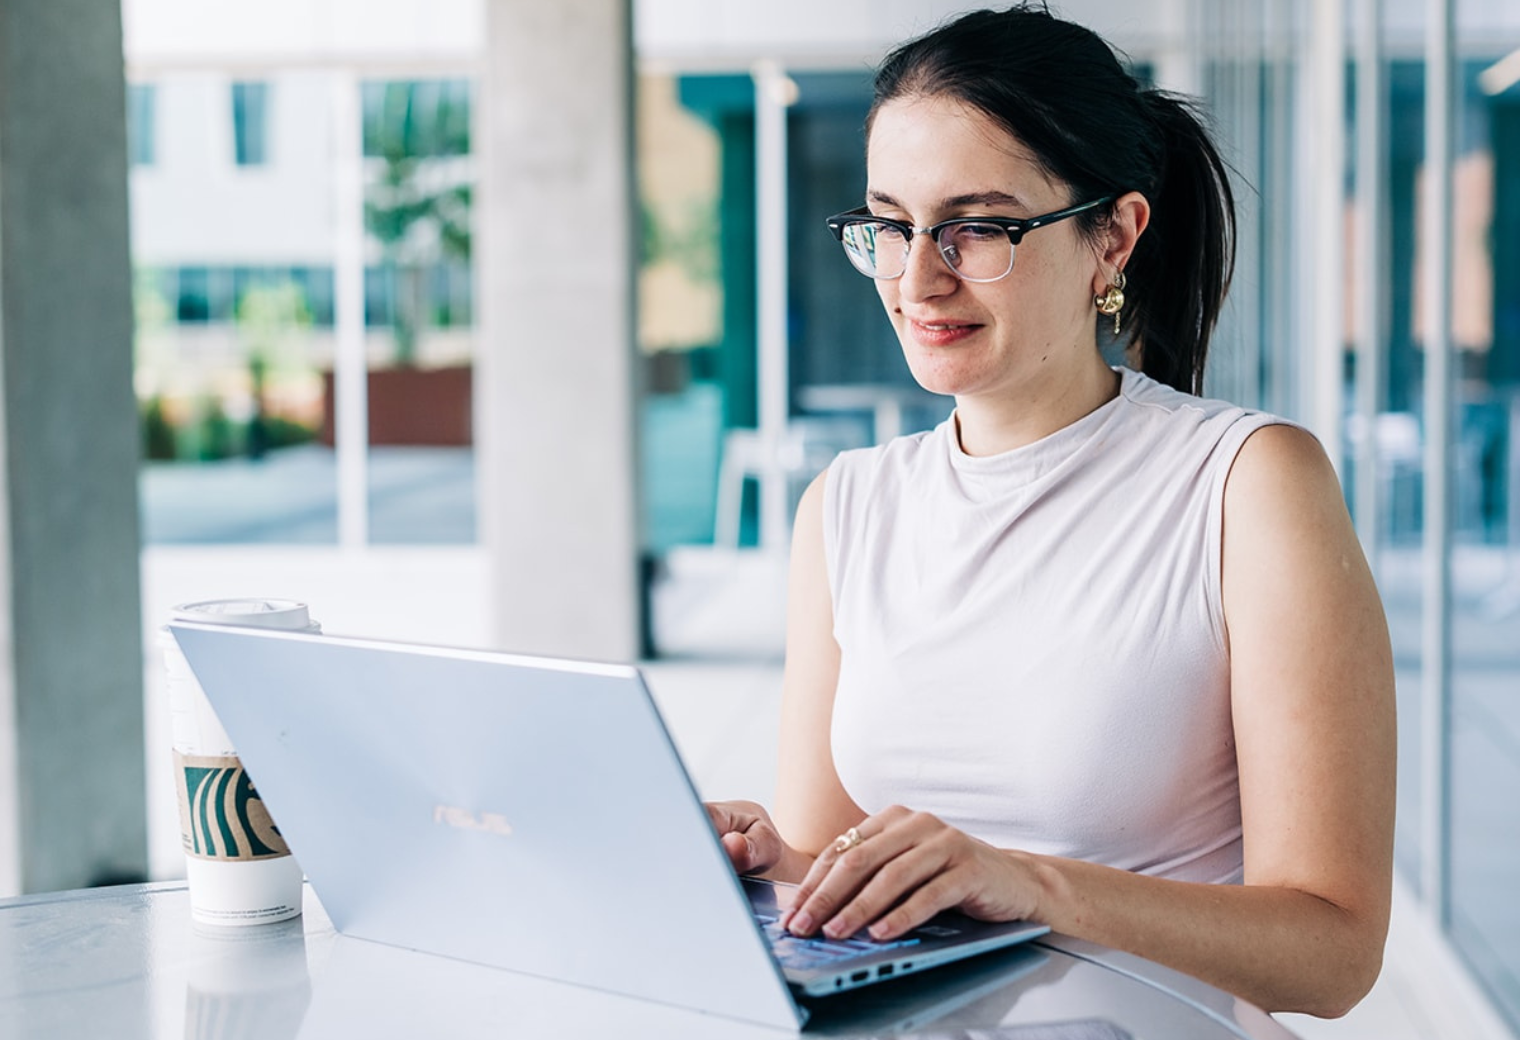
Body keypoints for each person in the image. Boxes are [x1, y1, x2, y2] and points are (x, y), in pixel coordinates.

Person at [705, 3, 1396, 1019]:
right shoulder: (846, 506)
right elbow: (832, 879)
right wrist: (767, 862)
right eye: (889, 226)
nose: (917, 276)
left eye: (975, 226)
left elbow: (1333, 950)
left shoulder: (1244, 482)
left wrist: (1029, 882)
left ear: (1110, 237)